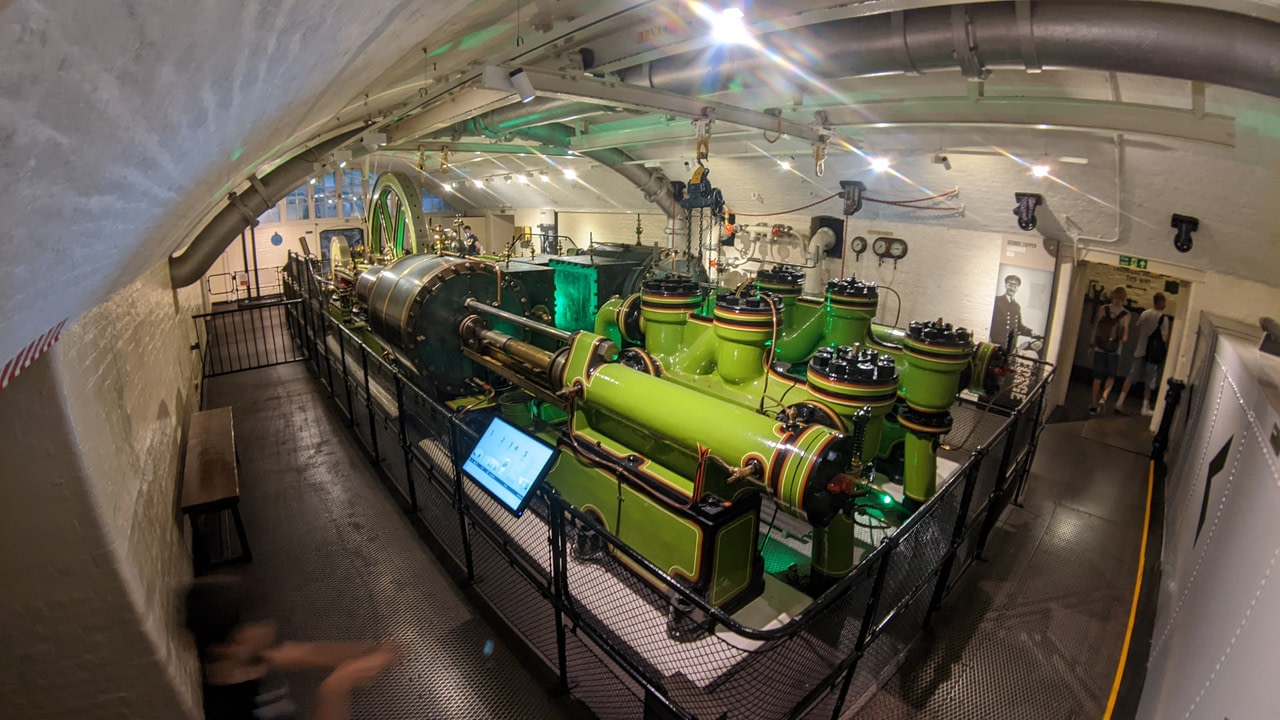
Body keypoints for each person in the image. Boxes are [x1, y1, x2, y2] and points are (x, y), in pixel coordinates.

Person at [184, 574, 401, 720]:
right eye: (257, 620)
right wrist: (337, 686)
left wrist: (367, 652)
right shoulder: (231, 709)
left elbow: (302, 654)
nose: (269, 624)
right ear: (231, 645)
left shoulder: (241, 660)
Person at [1116, 293, 1170, 416]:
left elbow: (1138, 328)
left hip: (1140, 349)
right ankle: (1145, 407)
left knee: (1131, 376)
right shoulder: (1164, 318)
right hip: (1153, 354)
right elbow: (1164, 338)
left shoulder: (1145, 314)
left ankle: (1120, 401)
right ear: (1161, 302)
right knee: (1149, 380)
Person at [1089, 286, 1131, 415]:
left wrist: (1091, 345)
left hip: (1100, 347)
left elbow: (1096, 328)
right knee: (1111, 376)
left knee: (1097, 377)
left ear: (1112, 296)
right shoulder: (1126, 314)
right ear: (1124, 298)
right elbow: (1124, 338)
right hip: (1114, 350)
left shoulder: (1103, 309)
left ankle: (1093, 404)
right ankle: (1104, 397)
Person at [989, 274, 1036, 350]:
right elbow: (989, 321)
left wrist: (1030, 331)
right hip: (996, 343)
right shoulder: (997, 301)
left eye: (1015, 286)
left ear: (1017, 289)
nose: (1012, 288)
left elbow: (1019, 326)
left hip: (1011, 345)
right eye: (1010, 285)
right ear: (1006, 285)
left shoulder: (1017, 306)